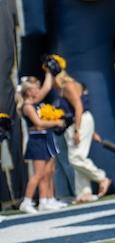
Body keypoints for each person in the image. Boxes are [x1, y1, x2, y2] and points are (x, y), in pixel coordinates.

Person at [41, 55, 112, 202]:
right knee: (78, 156)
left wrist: (78, 130)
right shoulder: (62, 87)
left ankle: (101, 178)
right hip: (78, 122)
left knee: (75, 158)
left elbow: (79, 107)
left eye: (48, 73)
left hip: (80, 121)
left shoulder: (68, 85)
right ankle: (83, 193)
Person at [15, 77, 65, 213]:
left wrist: (49, 73)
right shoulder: (27, 106)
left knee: (48, 172)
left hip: (45, 138)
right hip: (37, 141)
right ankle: (26, 201)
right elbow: (39, 123)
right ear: (29, 91)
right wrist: (56, 122)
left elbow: (47, 87)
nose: (39, 90)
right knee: (38, 174)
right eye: (36, 88)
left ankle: (46, 200)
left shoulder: (35, 101)